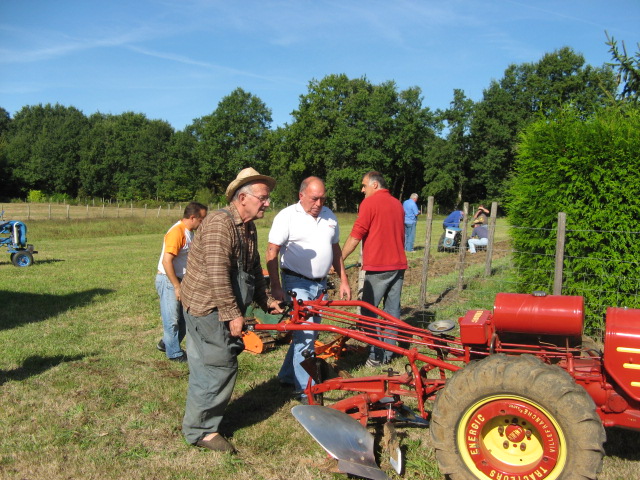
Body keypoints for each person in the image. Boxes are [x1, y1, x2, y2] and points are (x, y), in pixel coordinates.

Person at [180, 167, 284, 453]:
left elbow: (251, 268)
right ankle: (202, 431)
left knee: (207, 365)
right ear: (242, 197)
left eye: (267, 198)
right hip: (206, 307)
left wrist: (265, 301)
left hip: (216, 307)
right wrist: (232, 314)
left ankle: (199, 421)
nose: (267, 203)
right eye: (263, 197)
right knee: (219, 366)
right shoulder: (218, 224)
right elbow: (217, 275)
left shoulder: (248, 227)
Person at [266, 176, 351, 402]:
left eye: (323, 198)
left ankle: (287, 375)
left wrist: (343, 279)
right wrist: (275, 286)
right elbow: (272, 252)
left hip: (320, 284)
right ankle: (306, 391)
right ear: (301, 195)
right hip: (296, 282)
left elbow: (336, 249)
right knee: (305, 334)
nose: (319, 204)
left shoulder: (329, 216)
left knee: (309, 333)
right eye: (314, 199)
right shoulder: (287, 217)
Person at [341, 171, 407, 367]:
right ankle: (389, 353)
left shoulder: (369, 203)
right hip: (398, 265)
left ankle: (375, 355)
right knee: (392, 311)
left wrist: (339, 260)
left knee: (368, 312)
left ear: (375, 185)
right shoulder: (397, 204)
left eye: (364, 185)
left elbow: (356, 235)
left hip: (379, 267)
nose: (362, 190)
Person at [155, 202, 208, 362]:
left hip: (181, 281)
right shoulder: (177, 232)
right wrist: (176, 286)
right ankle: (175, 354)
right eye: (202, 219)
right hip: (169, 280)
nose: (203, 223)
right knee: (172, 319)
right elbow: (167, 261)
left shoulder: (189, 232)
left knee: (185, 319)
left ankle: (166, 343)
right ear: (192, 217)